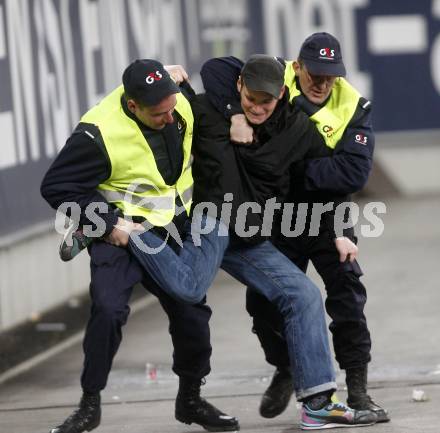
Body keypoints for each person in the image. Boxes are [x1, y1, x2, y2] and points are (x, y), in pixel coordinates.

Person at [120, 54, 378, 430]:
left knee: (304, 295)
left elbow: (333, 185)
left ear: (281, 96)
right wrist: (173, 77)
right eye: (251, 98)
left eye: (266, 101)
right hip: (213, 218)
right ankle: (134, 233)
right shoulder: (209, 111)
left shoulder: (297, 130)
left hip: (250, 234)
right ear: (239, 86)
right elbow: (190, 78)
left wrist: (342, 230)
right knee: (190, 287)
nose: (256, 107)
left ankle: (318, 402)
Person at [40, 59, 240, 433]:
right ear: (133, 105)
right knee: (109, 309)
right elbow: (56, 186)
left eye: (171, 107)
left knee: (192, 312)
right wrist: (107, 221)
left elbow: (225, 79)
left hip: (173, 229)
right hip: (121, 233)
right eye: (157, 113)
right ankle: (89, 403)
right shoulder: (98, 132)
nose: (168, 117)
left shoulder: (175, 100)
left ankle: (191, 399)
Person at [200, 32, 389, 422]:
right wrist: (237, 113)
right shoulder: (272, 78)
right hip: (278, 216)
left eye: (330, 76)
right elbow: (216, 70)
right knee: (262, 303)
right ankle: (288, 366)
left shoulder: (352, 104)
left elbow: (352, 173)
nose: (321, 84)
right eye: (314, 74)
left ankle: (358, 390)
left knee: (347, 293)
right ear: (296, 68)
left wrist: (291, 168)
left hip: (324, 212)